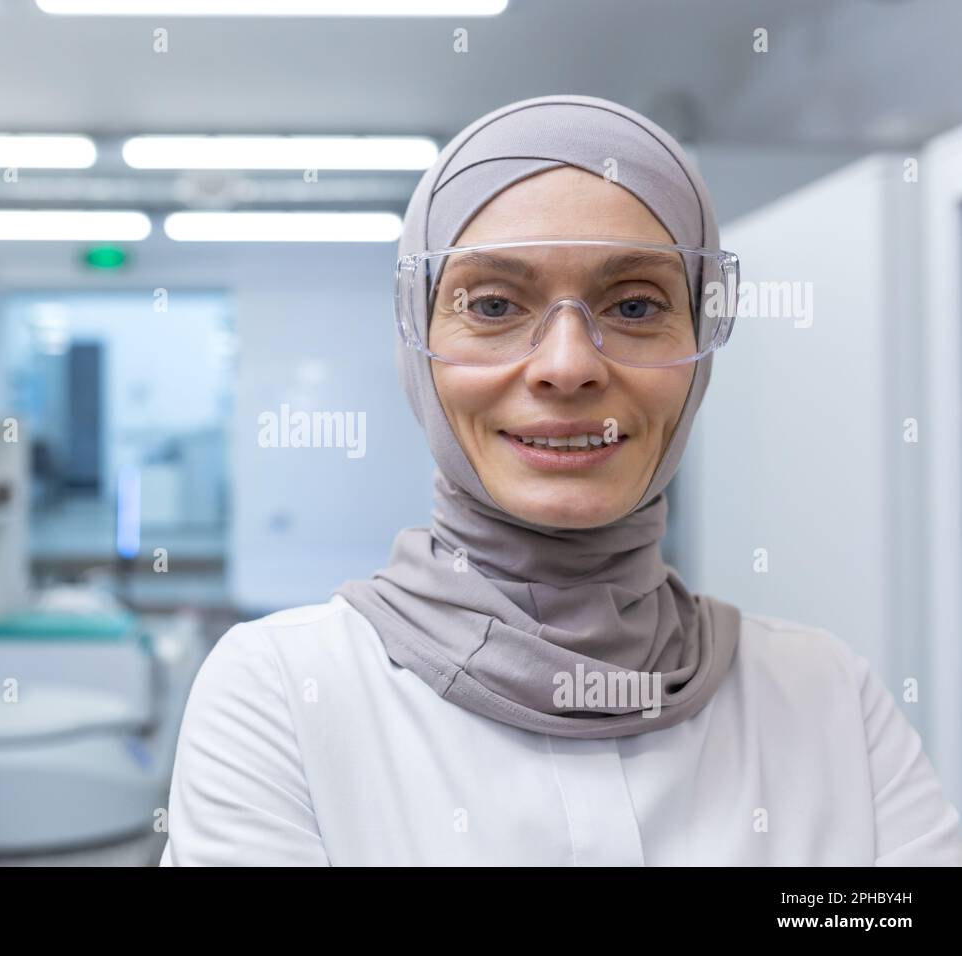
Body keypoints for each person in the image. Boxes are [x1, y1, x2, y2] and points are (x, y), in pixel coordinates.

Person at [158, 94, 962, 866]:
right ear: (416, 338)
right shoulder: (282, 694)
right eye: (496, 304)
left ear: (704, 339)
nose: (569, 365)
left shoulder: (826, 696)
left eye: (638, 307)